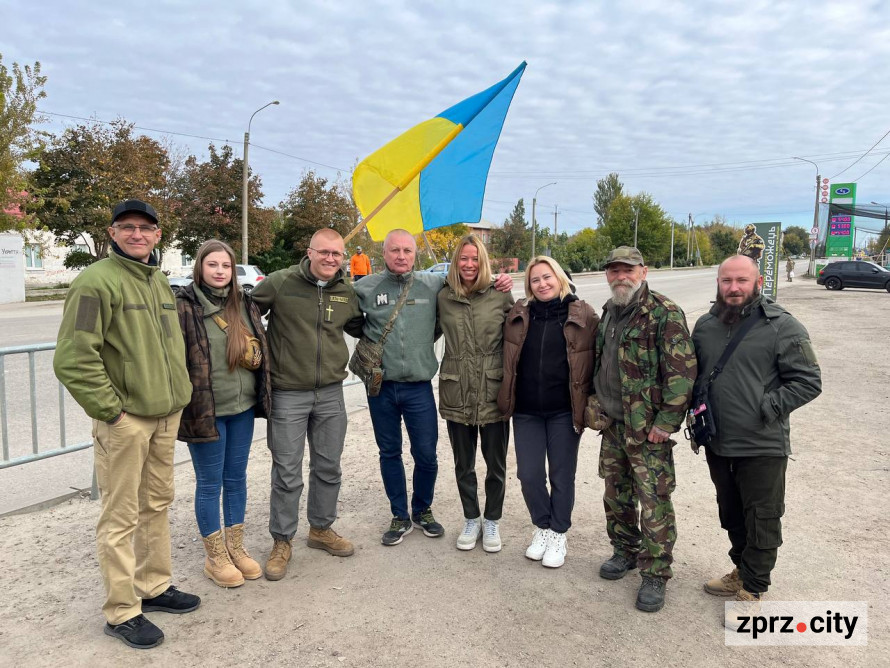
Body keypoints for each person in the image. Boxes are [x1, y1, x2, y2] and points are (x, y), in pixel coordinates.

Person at [54, 200, 198, 650]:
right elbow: (74, 358)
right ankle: (121, 611)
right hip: (127, 421)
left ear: (158, 235)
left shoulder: (158, 281)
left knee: (156, 503)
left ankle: (153, 585)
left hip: (165, 416)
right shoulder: (94, 282)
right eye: (128, 226)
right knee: (120, 516)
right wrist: (112, 412)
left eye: (146, 228)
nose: (138, 234)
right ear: (112, 232)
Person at [354, 229, 512, 546]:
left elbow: (474, 295)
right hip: (381, 387)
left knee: (427, 455)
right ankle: (400, 516)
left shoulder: (433, 285)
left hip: (419, 386)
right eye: (395, 250)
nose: (401, 256)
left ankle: (423, 511)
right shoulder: (365, 287)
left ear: (416, 255)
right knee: (389, 452)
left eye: (407, 250)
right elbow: (348, 318)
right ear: (383, 253)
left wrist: (499, 280)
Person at [691, 255, 821, 629]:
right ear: (718, 282)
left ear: (758, 282)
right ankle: (741, 569)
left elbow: (808, 381)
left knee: (762, 517)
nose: (733, 288)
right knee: (731, 512)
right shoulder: (705, 326)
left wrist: (765, 408)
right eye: (727, 280)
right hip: (718, 441)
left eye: (742, 280)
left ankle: (753, 589)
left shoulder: (782, 326)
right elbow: (695, 375)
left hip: (762, 444)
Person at [251, 228, 365, 580]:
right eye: (324, 252)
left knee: (328, 466)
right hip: (288, 393)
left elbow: (362, 325)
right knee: (287, 471)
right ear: (309, 252)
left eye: (337, 254)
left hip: (330, 392)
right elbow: (245, 310)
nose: (331, 258)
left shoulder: (346, 291)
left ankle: (320, 529)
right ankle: (282, 540)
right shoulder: (280, 282)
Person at [592, 246, 696, 613]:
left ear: (643, 272)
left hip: (648, 429)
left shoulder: (664, 312)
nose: (621, 277)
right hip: (613, 425)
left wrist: (666, 424)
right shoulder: (610, 311)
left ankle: (655, 573)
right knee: (616, 495)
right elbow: (601, 362)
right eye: (614, 270)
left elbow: (682, 373)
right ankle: (624, 551)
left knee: (654, 501)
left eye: (628, 270)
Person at [175, 240, 272, 588]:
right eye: (212, 264)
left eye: (226, 266)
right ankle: (215, 556)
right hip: (206, 410)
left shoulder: (244, 303)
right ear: (200, 267)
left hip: (242, 408)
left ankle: (236, 547)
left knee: (236, 479)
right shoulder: (184, 305)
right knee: (209, 483)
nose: (219, 271)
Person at [497, 256, 597, 568]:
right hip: (526, 411)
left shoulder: (582, 313)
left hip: (563, 412)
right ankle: (542, 526)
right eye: (535, 280)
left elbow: (600, 355)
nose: (542, 284)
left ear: (559, 278)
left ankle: (558, 533)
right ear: (529, 285)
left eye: (547, 277)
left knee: (561, 475)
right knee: (529, 474)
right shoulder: (519, 314)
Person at [437, 234, 514, 552]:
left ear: (483, 262)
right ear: (456, 262)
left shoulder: (500, 294)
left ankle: (492, 519)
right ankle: (471, 518)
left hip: (493, 389)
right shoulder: (443, 296)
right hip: (456, 389)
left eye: (475, 259)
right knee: (463, 464)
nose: (469, 264)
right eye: (463, 258)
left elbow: (519, 332)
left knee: (496, 464)